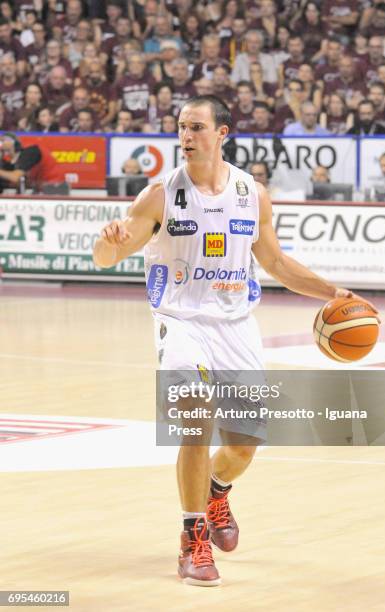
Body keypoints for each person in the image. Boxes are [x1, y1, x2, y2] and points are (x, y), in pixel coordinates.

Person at [93, 94, 365, 587]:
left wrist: (332, 291)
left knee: (243, 445)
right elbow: (107, 258)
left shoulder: (251, 193)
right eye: (181, 127)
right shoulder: (159, 194)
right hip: (181, 320)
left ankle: (217, 491)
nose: (186, 136)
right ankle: (191, 539)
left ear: (223, 134)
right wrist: (106, 241)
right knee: (195, 422)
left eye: (196, 127)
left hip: (236, 324)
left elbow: (277, 264)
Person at [0, 132, 65, 192]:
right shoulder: (13, 159)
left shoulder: (30, 151)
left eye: (3, 141)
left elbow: (15, 177)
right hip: (40, 188)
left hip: (55, 187)